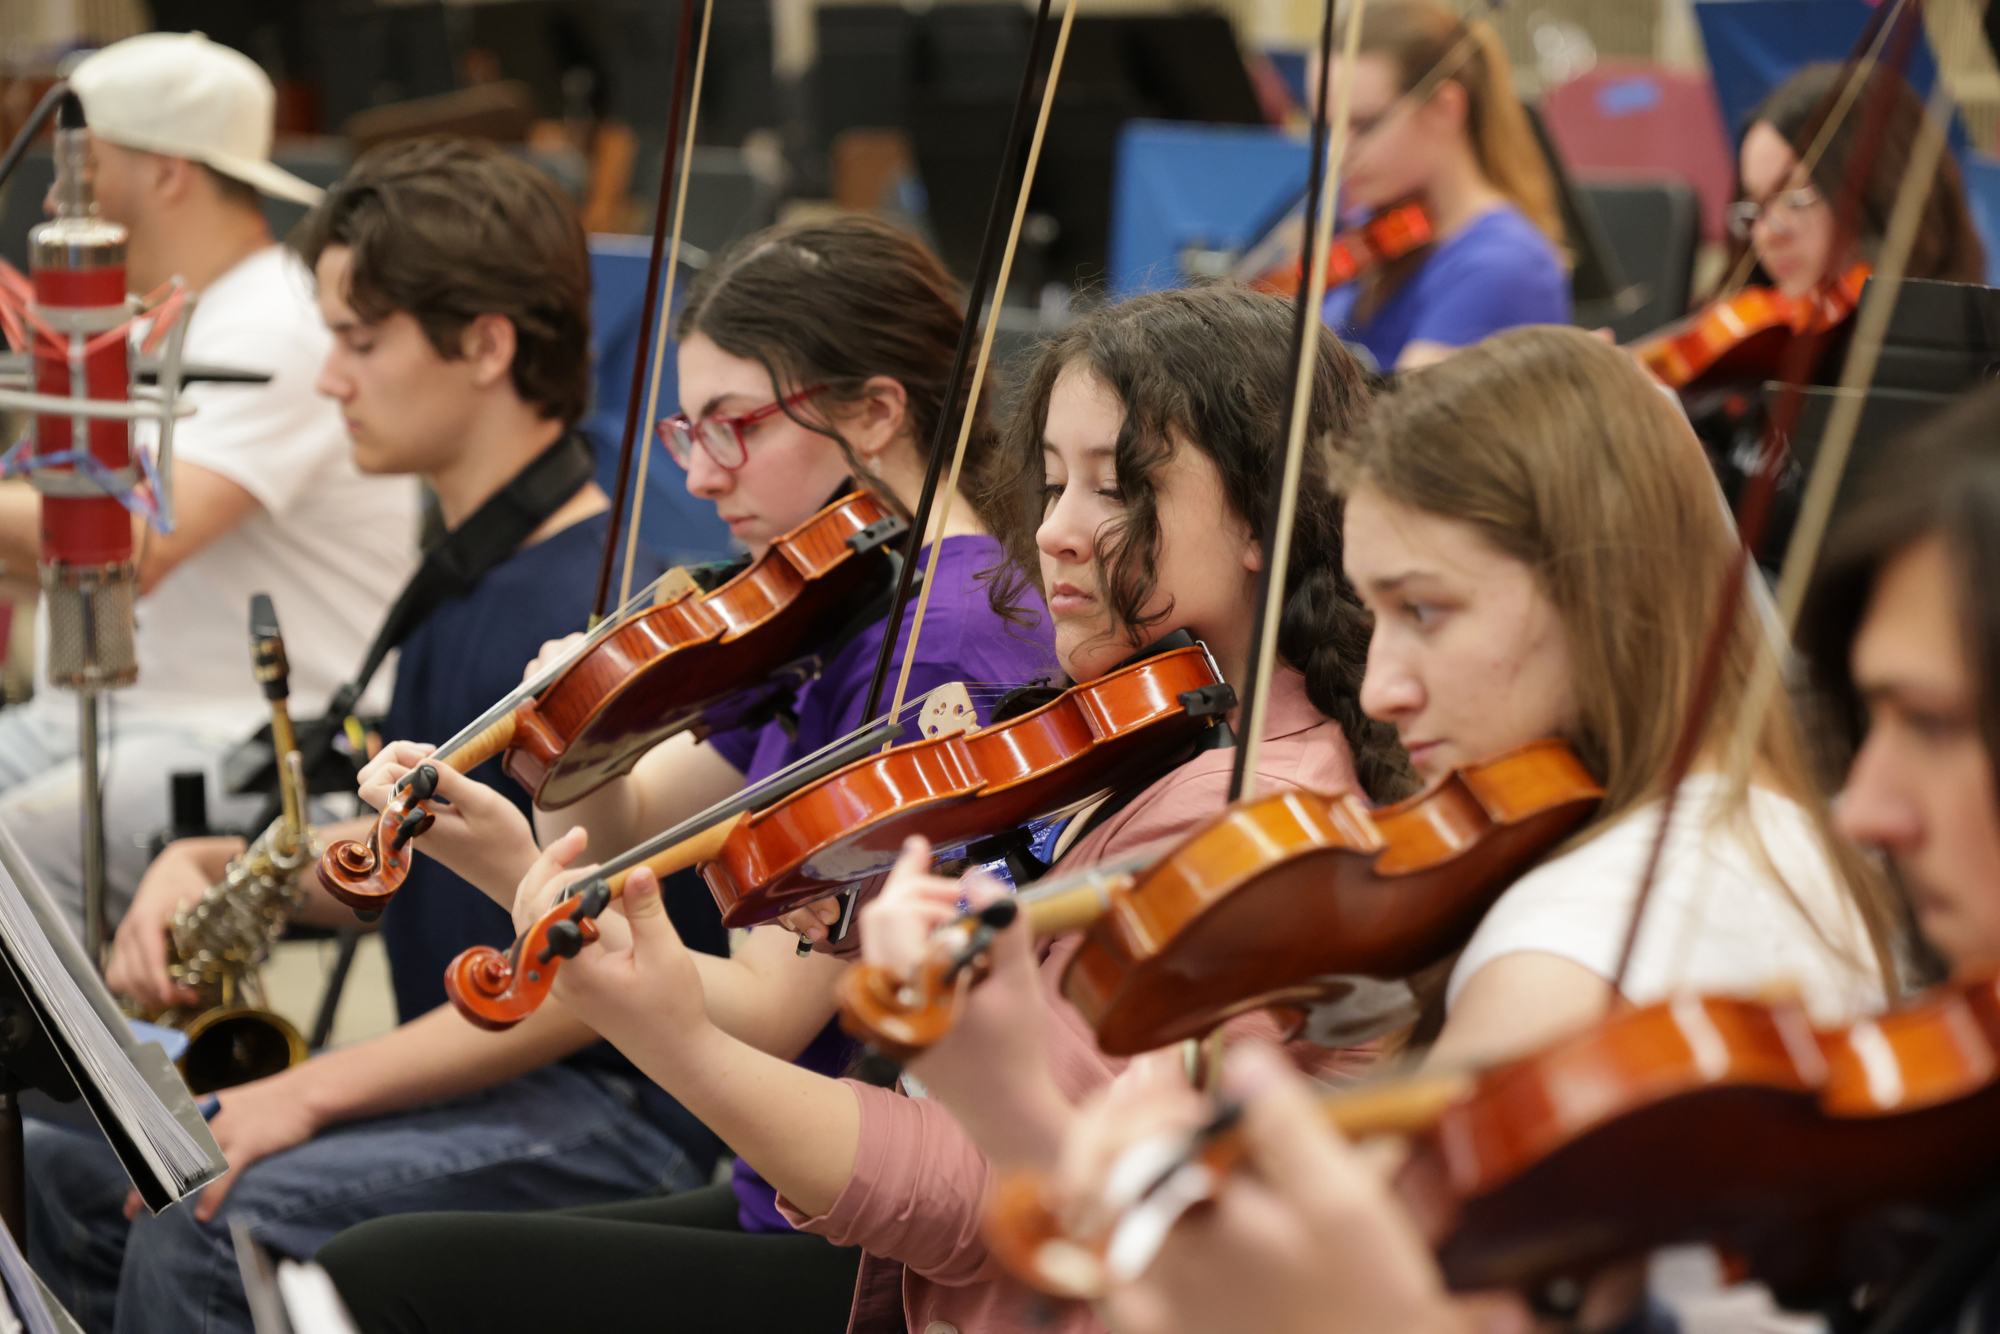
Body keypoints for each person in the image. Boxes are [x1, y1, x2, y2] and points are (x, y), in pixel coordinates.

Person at [318, 282, 1403, 1334]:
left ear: (1267, 514)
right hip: (904, 1268)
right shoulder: (1143, 725)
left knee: (385, 1273)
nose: (1059, 533)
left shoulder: (1235, 805)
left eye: (1116, 487)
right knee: (392, 1264)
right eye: (1052, 481)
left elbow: (974, 1195)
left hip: (947, 1288)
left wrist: (665, 1027)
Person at [863, 323, 1902, 1334]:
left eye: (1427, 611)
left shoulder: (1570, 942)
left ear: (1596, 594)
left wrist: (1008, 1105)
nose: (1386, 683)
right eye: (1374, 611)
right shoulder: (1752, 822)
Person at [315, 214, 1060, 1333]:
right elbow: (637, 821)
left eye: (735, 428)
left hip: (873, 1249)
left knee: (383, 1272)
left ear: (873, 411)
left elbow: (768, 1005)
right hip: (780, 1195)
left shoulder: (941, 639)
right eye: (683, 431)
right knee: (373, 1260)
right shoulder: (848, 599)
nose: (702, 477)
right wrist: (572, 740)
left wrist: (535, 888)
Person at [28, 139, 711, 1334]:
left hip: (607, 1101)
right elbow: (423, 847)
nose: (331, 380)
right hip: (492, 1070)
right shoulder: (472, 568)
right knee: (60, 1167)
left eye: (361, 341)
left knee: (205, 1227)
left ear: (485, 346)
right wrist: (216, 866)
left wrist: (305, 1092)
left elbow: (579, 986)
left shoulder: (573, 613)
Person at [0, 32, 420, 933]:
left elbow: (130, 544)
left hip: (258, 739)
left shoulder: (278, 320)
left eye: (84, 165)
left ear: (166, 173)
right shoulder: (171, 318)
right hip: (114, 714)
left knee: (24, 851)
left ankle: (68, 1075)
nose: (51, 195)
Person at [1676, 60, 1983, 527]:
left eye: (1798, 196)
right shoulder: (1755, 345)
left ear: (1883, 194)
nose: (1767, 233)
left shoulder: (1950, 374)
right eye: (1755, 205)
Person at [1315, 0, 1570, 372]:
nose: (1337, 152)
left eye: (1364, 124)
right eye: (1327, 127)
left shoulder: (1505, 267)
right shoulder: (1368, 229)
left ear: (1444, 108)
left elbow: (1405, 427)